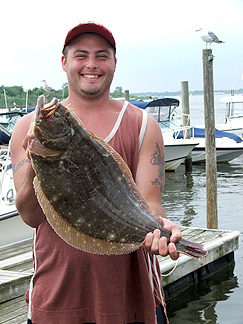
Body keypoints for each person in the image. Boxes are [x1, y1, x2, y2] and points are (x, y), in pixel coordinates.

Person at [10, 22, 182, 324]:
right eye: (81, 55)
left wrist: (159, 227)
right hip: (56, 292)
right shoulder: (26, 128)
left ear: (114, 63)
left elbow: (149, 203)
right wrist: (40, 165)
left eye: (102, 56)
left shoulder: (143, 125)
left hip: (131, 294)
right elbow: (30, 217)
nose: (91, 64)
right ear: (64, 62)